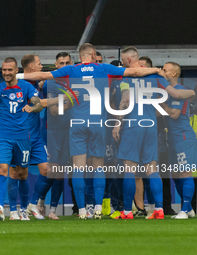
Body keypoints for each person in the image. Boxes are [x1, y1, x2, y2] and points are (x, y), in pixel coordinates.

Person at [17, 43, 167, 219]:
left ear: (80, 57)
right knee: (99, 168)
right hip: (99, 124)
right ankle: (97, 207)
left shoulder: (71, 70)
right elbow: (134, 72)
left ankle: (82, 210)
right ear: (94, 55)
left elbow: (43, 75)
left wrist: (18, 75)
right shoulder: (104, 68)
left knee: (79, 169)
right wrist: (156, 70)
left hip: (78, 123)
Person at [112, 46, 195, 220]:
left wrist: (118, 123)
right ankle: (159, 209)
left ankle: (127, 211)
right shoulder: (155, 76)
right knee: (152, 169)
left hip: (133, 125)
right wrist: (192, 92)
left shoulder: (125, 76)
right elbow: (174, 93)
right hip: (150, 126)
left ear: (127, 60)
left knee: (129, 170)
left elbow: (125, 100)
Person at [0, 57, 42, 221]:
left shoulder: (26, 87)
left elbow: (39, 104)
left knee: (22, 174)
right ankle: (0, 208)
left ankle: (23, 210)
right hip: (3, 136)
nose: (6, 73)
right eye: (4, 70)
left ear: (16, 70)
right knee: (2, 169)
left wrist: (32, 107)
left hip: (23, 137)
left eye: (9, 70)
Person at [8, 54, 48, 220]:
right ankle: (13, 211)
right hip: (20, 136)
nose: (41, 67)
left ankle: (32, 204)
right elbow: (35, 104)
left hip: (36, 136)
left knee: (48, 170)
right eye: (39, 64)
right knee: (15, 173)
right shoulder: (19, 86)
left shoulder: (36, 84)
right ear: (31, 67)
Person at [36, 52, 74, 220]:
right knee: (51, 170)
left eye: (67, 62)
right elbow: (53, 110)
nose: (64, 65)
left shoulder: (76, 82)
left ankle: (52, 210)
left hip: (70, 131)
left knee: (60, 173)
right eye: (61, 63)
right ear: (56, 65)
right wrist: (71, 102)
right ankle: (38, 200)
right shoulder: (51, 83)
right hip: (52, 131)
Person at [161, 61, 196, 219]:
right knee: (175, 174)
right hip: (173, 137)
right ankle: (188, 209)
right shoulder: (168, 92)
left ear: (174, 74)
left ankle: (185, 208)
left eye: (165, 70)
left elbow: (174, 114)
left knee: (184, 173)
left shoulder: (180, 90)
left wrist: (160, 102)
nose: (162, 72)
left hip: (183, 136)